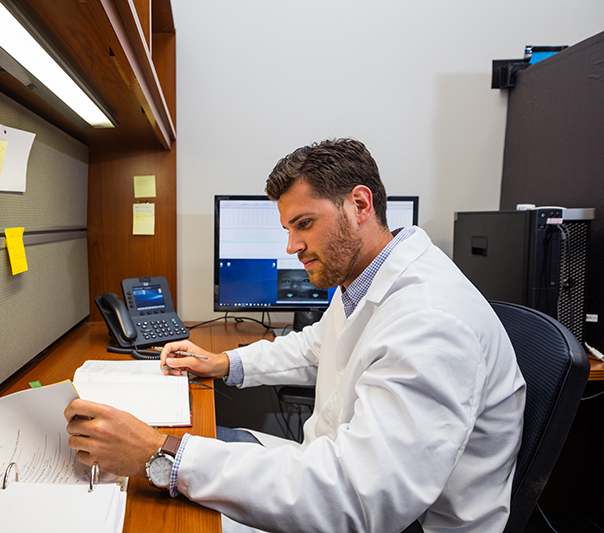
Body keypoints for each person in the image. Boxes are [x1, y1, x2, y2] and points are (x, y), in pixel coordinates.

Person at [65, 138, 526, 533]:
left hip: (392, 518)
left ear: (360, 205)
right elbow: (316, 344)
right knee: (190, 463)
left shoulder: (432, 319)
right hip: (334, 472)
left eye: (304, 224)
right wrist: (222, 363)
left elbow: (362, 499)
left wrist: (158, 455)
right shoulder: (367, 280)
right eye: (288, 229)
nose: (291, 247)